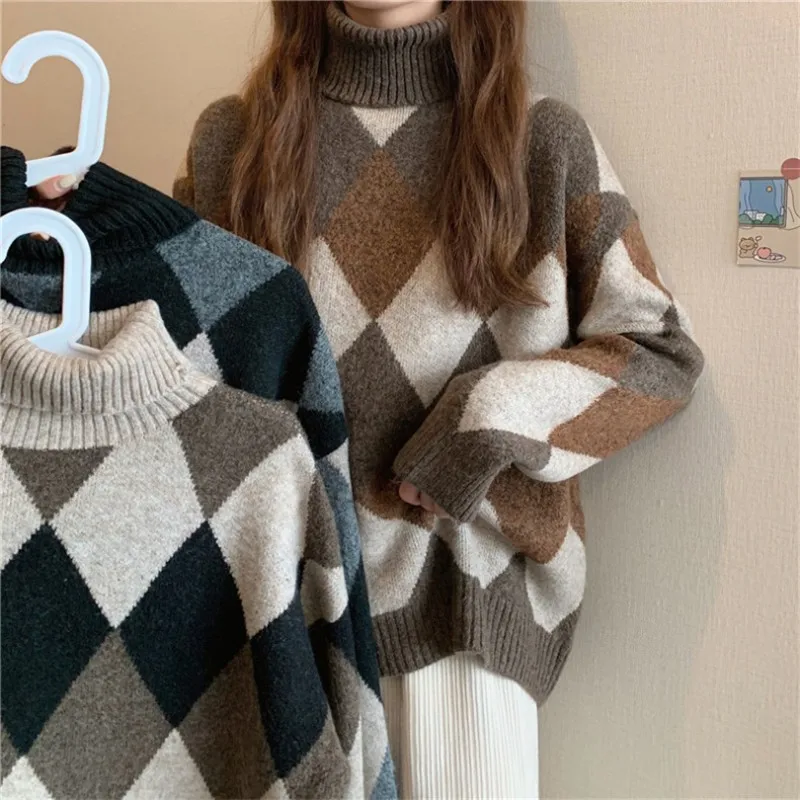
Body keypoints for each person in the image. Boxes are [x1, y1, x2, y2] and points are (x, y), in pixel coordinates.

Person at [43, 1, 705, 796]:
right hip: (273, 611)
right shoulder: (234, 140)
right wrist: (80, 231)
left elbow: (660, 353)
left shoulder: (542, 142)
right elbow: (181, 367)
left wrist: (484, 422)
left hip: (458, 622)